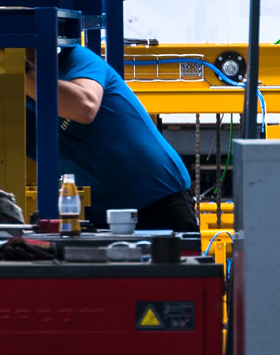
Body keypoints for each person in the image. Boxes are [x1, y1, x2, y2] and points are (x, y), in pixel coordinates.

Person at [24, 45, 198, 232]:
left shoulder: (74, 59)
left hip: (159, 199)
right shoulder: (14, 113)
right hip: (101, 217)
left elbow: (85, 106)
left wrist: (22, 73)